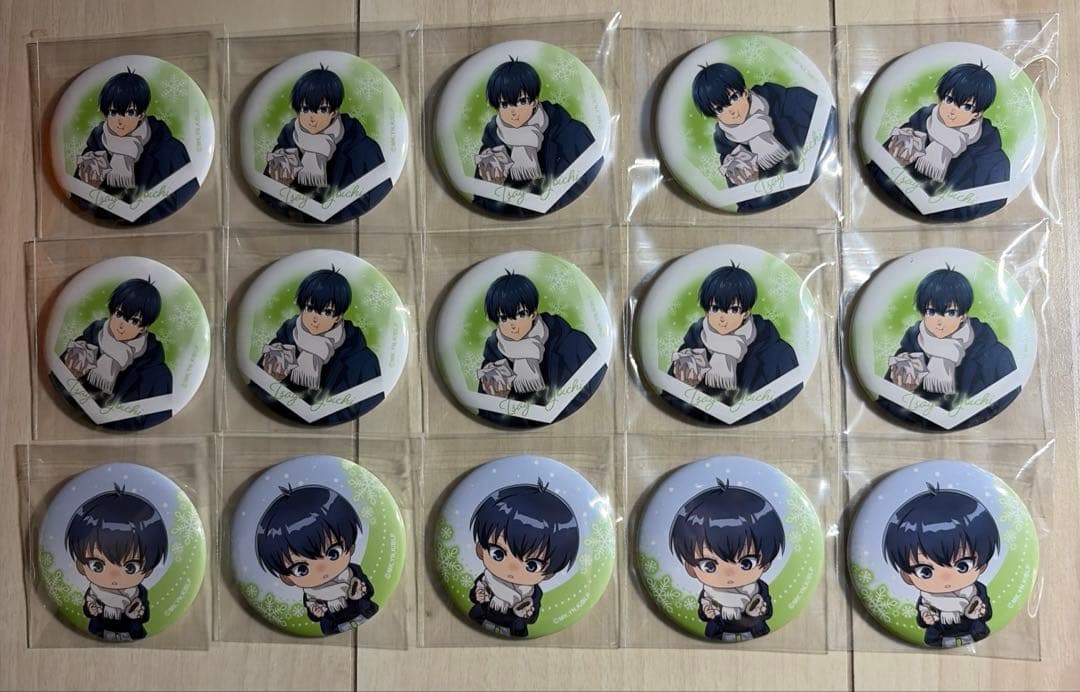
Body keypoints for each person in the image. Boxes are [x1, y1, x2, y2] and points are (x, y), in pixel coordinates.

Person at [868, 62, 1010, 221]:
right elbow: (872, 172)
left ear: (978, 113)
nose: (952, 112)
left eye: (966, 107)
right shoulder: (914, 129)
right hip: (886, 214)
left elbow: (988, 206)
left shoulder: (993, 160)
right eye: (949, 99)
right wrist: (893, 164)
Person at [880, 267, 1017, 429]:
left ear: (963, 315)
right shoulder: (908, 354)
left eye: (950, 313)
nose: (939, 322)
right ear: (922, 313)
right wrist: (902, 393)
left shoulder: (995, 355)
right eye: (931, 311)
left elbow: (1009, 405)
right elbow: (885, 406)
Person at [665, 264, 800, 424]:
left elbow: (790, 405)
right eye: (715, 308)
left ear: (746, 313)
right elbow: (669, 400)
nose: (723, 318)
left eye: (733, 310)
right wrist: (684, 387)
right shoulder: (692, 348)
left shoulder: (777, 352)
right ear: (706, 310)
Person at [691, 62, 833, 212]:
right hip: (791, 211)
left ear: (745, 91)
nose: (732, 111)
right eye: (720, 109)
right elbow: (749, 210)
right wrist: (752, 186)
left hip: (824, 189)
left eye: (734, 97)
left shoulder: (790, 100)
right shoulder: (731, 156)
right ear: (715, 116)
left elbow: (834, 127)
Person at [260, 65, 391, 223]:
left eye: (322, 110)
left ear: (334, 112)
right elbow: (267, 205)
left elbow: (380, 200)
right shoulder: (285, 149)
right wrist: (279, 188)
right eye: (305, 109)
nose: (312, 118)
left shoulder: (363, 149)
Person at [253, 267, 383, 425]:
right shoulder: (282, 345)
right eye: (309, 308)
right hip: (276, 425)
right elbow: (255, 393)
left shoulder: (362, 360)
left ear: (338, 316)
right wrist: (271, 380)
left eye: (326, 312)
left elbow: (371, 408)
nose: (315, 319)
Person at [473, 58, 599, 216]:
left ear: (534, 101)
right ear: (497, 108)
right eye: (505, 104)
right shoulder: (492, 149)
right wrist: (493, 187)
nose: (514, 112)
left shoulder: (572, 133)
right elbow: (481, 205)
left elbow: (594, 184)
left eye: (522, 101)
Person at [476, 271, 605, 427]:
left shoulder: (573, 342)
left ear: (533, 313)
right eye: (504, 318)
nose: (513, 325)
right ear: (496, 321)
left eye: (521, 314)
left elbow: (602, 394)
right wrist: (497, 400)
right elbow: (486, 417)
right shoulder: (494, 359)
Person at [74, 69, 197, 224]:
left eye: (130, 112)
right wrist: (88, 190)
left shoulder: (170, 151)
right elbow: (78, 207)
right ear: (105, 114)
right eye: (113, 112)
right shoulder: (95, 151)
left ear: (141, 115)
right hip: (102, 232)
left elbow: (186, 202)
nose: (120, 121)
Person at [883, 485, 999, 647]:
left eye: (962, 566)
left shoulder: (978, 590)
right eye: (925, 571)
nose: (946, 577)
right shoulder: (927, 599)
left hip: (973, 633)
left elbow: (988, 614)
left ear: (982, 566)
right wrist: (926, 618)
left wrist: (981, 611)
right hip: (941, 638)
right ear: (907, 576)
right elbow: (921, 621)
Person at [669, 480, 784, 642]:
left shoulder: (760, 589)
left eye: (746, 563)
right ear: (691, 568)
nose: (729, 574)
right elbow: (703, 614)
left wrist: (760, 611)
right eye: (709, 565)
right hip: (719, 634)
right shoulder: (708, 593)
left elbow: (768, 612)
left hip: (754, 633)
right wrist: (708, 612)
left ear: (766, 563)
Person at [256, 484, 378, 636]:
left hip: (364, 614)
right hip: (335, 627)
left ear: (350, 547)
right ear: (287, 578)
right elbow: (313, 616)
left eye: (333, 553)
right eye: (301, 569)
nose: (322, 569)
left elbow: (370, 591)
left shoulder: (354, 572)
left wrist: (360, 592)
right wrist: (316, 612)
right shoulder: (311, 595)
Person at [57, 278, 173, 430]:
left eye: (134, 321)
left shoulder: (157, 374)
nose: (121, 326)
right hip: (66, 424)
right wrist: (70, 376)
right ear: (111, 311)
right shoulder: (84, 344)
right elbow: (57, 390)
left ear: (144, 327)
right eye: (118, 314)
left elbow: (154, 423)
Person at [467, 480, 579, 637]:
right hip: (479, 621)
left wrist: (527, 613)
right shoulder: (486, 579)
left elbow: (533, 618)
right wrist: (478, 595)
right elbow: (473, 595)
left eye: (532, 565)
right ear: (480, 550)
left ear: (548, 574)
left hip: (513, 630)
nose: (512, 568)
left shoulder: (533, 593)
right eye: (498, 554)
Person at [65, 485, 168, 641]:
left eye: (130, 567)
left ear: (148, 570)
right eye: (97, 566)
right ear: (81, 566)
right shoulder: (93, 593)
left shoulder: (139, 594)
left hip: (130, 633)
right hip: (100, 632)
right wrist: (91, 609)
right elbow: (87, 611)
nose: (114, 575)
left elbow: (145, 616)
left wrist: (137, 613)